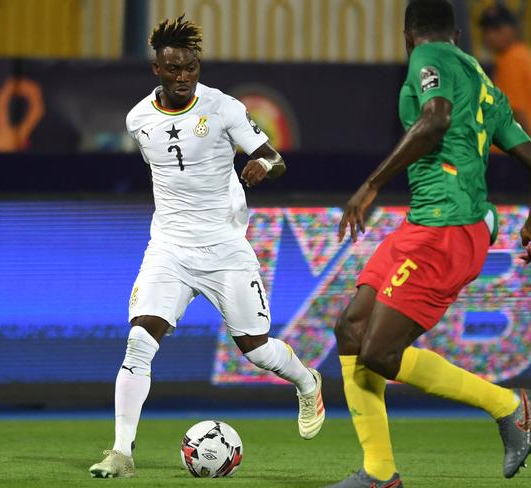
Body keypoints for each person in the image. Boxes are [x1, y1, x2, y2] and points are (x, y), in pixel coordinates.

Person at [89, 15, 325, 478]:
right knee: (139, 342)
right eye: (173, 69)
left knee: (255, 349)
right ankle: (121, 452)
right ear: (157, 68)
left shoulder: (223, 108)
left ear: (198, 65)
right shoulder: (138, 119)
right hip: (170, 249)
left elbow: (272, 157)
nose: (183, 77)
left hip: (224, 249)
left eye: (190, 68)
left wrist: (263, 167)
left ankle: (306, 380)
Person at [328, 1, 531, 487]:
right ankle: (379, 474)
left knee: (379, 354)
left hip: (446, 230)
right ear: (457, 33)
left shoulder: (428, 58)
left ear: (410, 34)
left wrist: (371, 184)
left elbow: (435, 119)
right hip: (428, 223)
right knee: (351, 328)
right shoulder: (483, 80)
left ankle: (510, 405)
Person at [480, 3, 531, 151]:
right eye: (486, 30)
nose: (490, 36)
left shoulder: (511, 61)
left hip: (512, 152)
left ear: (513, 29)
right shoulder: (528, 57)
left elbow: (517, 112)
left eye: (497, 29)